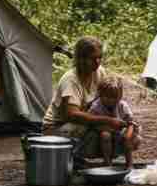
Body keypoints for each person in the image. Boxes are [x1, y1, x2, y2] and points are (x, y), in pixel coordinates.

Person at [42, 36, 127, 164]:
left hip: (84, 121)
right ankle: (69, 157)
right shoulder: (70, 80)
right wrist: (108, 120)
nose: (97, 62)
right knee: (90, 127)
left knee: (116, 131)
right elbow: (71, 114)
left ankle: (106, 157)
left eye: (100, 57)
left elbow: (109, 96)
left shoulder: (99, 72)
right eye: (93, 59)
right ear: (81, 59)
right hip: (57, 128)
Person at [85, 74, 142, 169]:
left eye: (114, 98)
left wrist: (128, 136)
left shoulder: (122, 105)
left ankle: (129, 164)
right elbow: (91, 121)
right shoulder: (96, 106)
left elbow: (131, 122)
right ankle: (107, 163)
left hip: (121, 131)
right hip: (104, 131)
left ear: (120, 96)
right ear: (100, 94)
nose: (111, 100)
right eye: (107, 97)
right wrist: (104, 127)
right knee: (105, 135)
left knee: (128, 139)